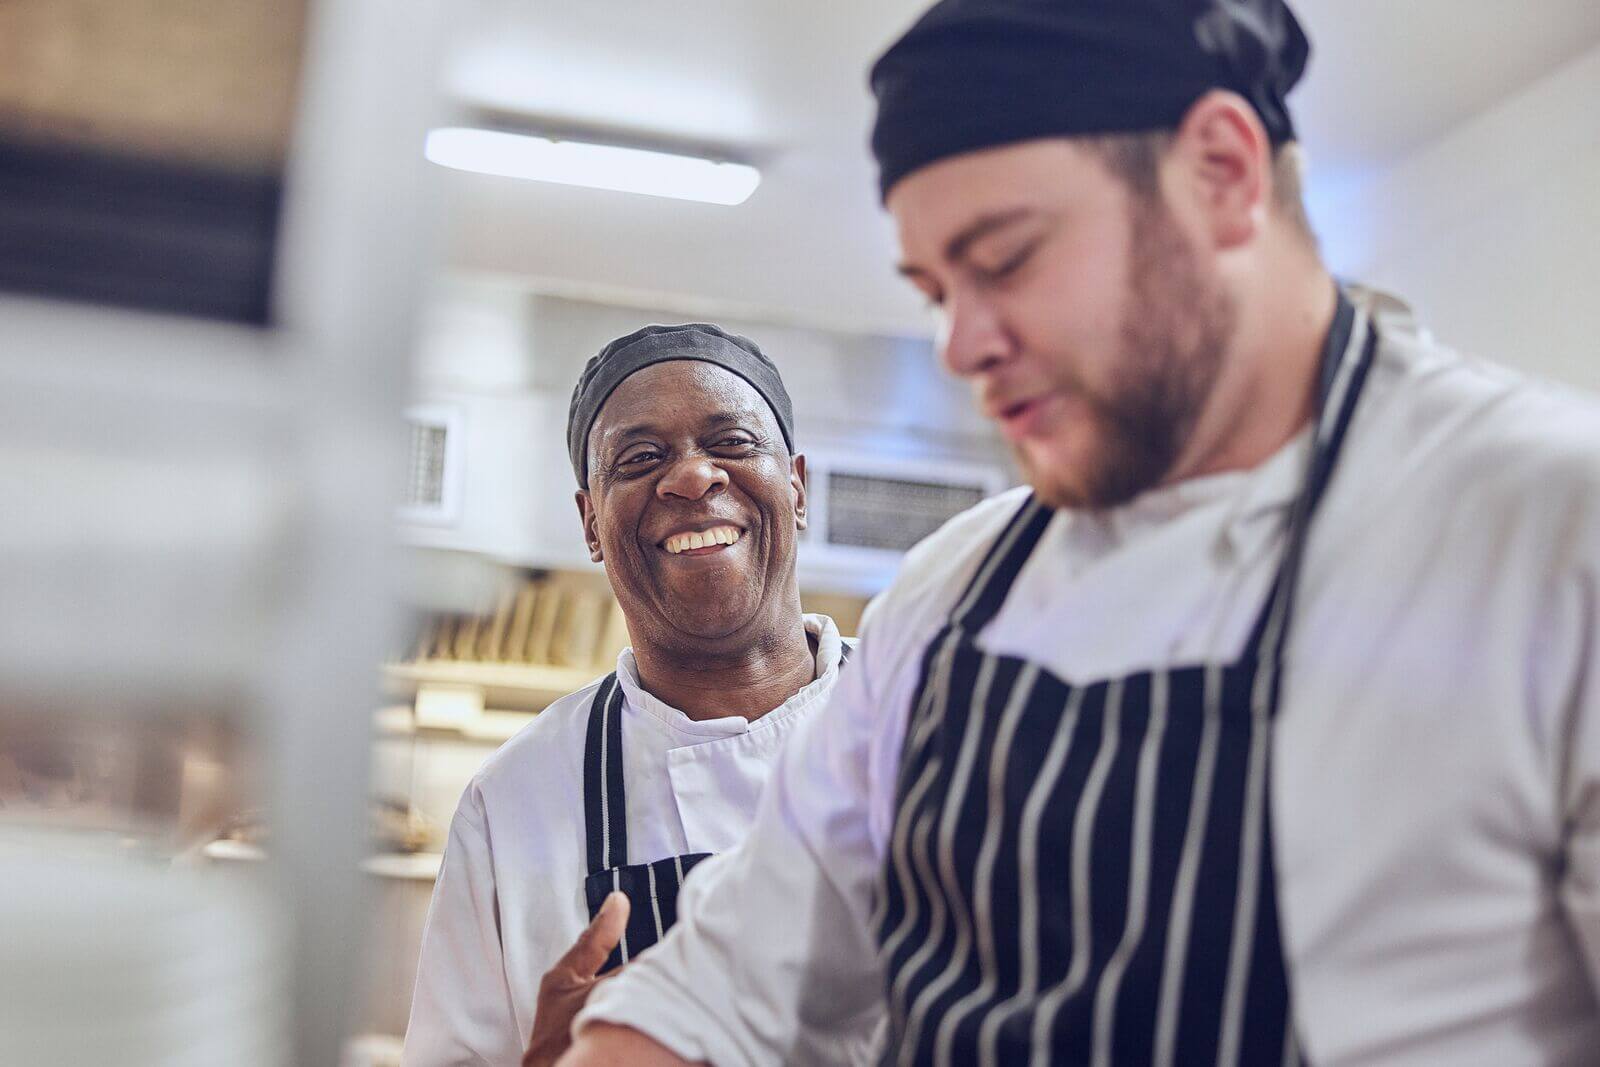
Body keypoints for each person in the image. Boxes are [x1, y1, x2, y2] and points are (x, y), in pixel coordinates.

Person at [560, 1, 1600, 1064]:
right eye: (933, 290)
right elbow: (720, 989)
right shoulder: (955, 590)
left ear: (1223, 174)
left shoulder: (1545, 532)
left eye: (1005, 258)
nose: (960, 347)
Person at [401, 324, 868, 1066]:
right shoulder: (514, 803)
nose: (691, 477)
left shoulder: (948, 733)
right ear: (591, 522)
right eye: (641, 457)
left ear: (798, 487)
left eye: (734, 442)